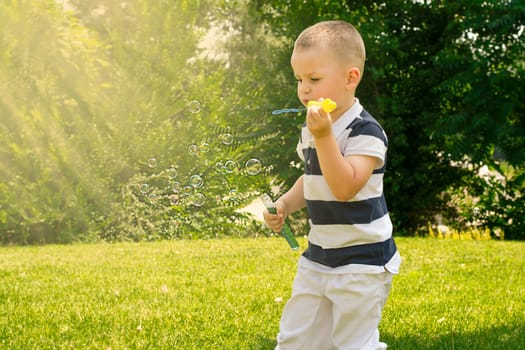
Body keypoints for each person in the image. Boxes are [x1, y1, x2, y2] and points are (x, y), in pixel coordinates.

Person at [263, 20, 401, 350]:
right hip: (319, 256)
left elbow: (345, 186)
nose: (304, 89)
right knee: (295, 339)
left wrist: (324, 136)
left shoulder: (366, 131)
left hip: (362, 260)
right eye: (299, 80)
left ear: (350, 78)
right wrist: (284, 204)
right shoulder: (312, 131)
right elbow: (312, 177)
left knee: (353, 343)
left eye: (314, 79)